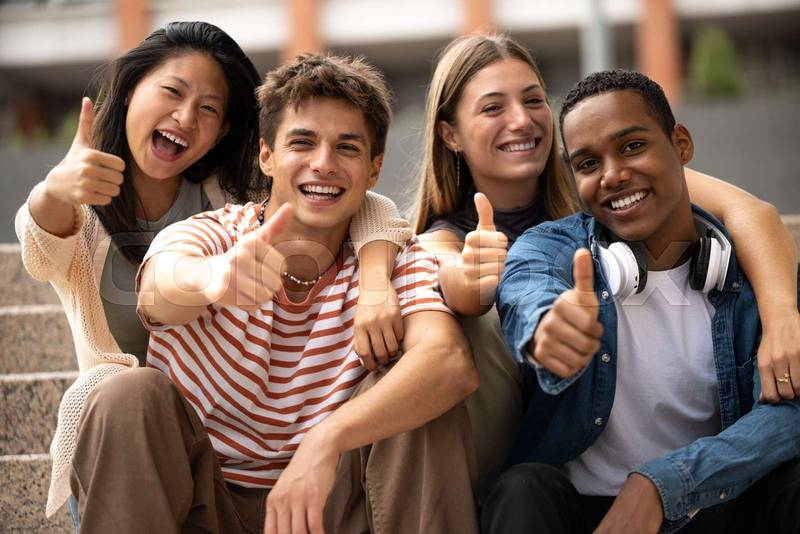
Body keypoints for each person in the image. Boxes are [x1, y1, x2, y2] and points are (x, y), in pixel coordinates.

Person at [15, 21, 412, 520]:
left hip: (218, 435)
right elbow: (39, 248)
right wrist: (54, 190)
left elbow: (356, 202)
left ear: (224, 129)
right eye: (172, 92)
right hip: (128, 428)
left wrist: (377, 279)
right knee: (125, 396)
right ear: (130, 90)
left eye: (209, 109)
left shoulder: (231, 194)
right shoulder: (82, 202)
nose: (185, 117)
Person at [70, 53, 480, 533]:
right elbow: (160, 290)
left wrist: (325, 441)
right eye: (302, 142)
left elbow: (449, 361)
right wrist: (216, 279)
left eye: (347, 149)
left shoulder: (391, 260)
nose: (323, 165)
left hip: (329, 503)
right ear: (266, 155)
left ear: (373, 169)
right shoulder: (213, 235)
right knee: (125, 393)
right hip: (205, 500)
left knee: (419, 396)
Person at [411, 33, 800, 498]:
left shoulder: (603, 177)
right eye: (493, 108)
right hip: (529, 451)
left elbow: (750, 213)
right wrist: (495, 294)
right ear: (450, 134)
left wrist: (782, 321)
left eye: (533, 99)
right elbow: (459, 282)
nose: (521, 119)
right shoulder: (446, 236)